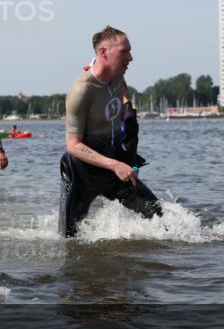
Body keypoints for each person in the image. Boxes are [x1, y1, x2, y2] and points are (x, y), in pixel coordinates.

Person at [59, 26, 161, 237]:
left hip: (113, 161)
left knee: (156, 214)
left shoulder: (118, 78)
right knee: (70, 237)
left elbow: (125, 108)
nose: (131, 58)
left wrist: (129, 152)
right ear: (104, 52)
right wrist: (115, 165)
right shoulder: (81, 90)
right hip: (82, 170)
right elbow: (73, 146)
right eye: (124, 52)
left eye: (130, 51)